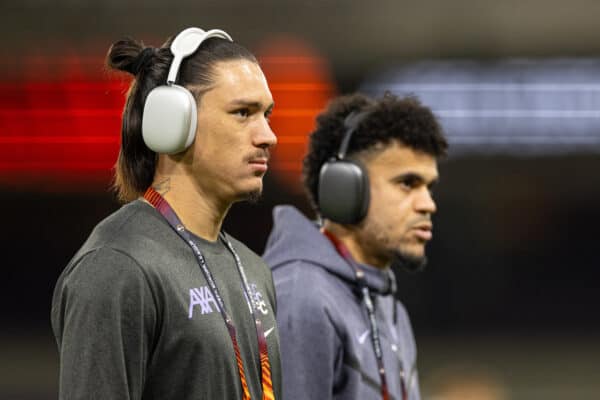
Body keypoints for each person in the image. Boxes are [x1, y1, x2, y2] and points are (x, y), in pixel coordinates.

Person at [51, 27, 281, 400]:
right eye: (243, 113)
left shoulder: (254, 270)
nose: (268, 135)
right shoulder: (118, 266)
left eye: (266, 114)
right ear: (173, 122)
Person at [263, 92, 448, 400]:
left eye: (429, 187)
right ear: (345, 187)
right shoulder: (301, 298)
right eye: (407, 183)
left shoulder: (390, 307)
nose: (428, 204)